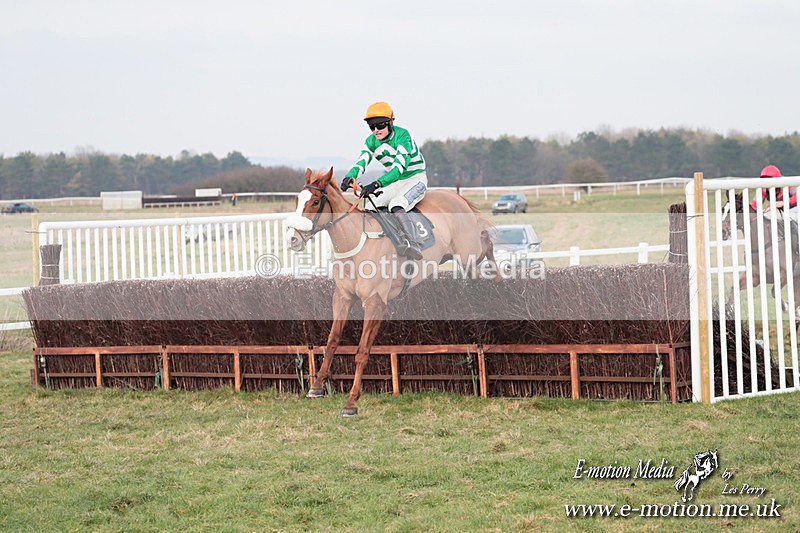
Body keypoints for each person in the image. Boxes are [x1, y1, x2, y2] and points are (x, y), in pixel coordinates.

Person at [341, 101, 427, 260]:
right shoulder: (371, 141)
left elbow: (397, 170)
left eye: (379, 125)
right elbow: (362, 161)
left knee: (396, 204)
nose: (375, 130)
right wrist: (349, 176)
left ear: (390, 123)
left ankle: (412, 243)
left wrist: (376, 184)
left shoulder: (403, 136)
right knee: (372, 202)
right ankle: (387, 241)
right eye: (371, 126)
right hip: (396, 182)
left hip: (415, 179)